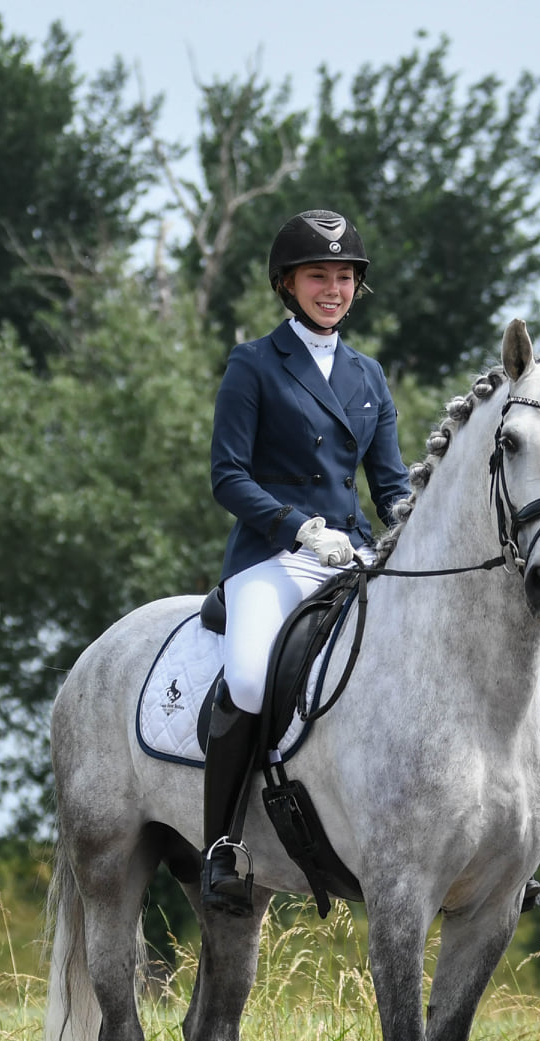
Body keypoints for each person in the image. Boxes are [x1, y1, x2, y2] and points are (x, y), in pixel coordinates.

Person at [202, 208, 412, 914]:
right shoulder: (255, 364)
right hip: (273, 558)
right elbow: (227, 475)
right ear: (287, 284)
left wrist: (413, 531)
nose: (334, 288)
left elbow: (390, 486)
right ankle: (221, 846)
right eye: (319, 275)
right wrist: (297, 528)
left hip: (350, 556)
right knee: (252, 678)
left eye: (345, 276)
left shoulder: (368, 375)